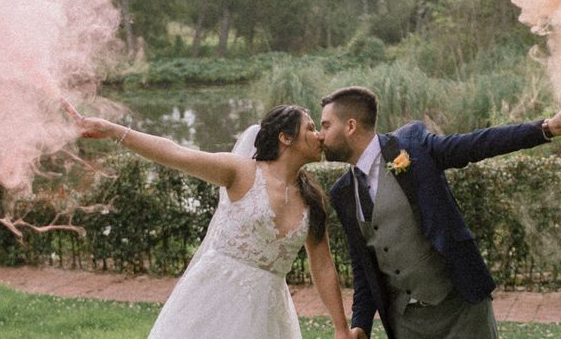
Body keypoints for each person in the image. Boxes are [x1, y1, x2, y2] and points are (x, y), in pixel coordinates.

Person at [68, 102, 365, 339]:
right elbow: (176, 153)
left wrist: (341, 328)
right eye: (311, 129)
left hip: (269, 311)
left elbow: (323, 264)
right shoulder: (241, 172)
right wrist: (112, 130)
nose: (320, 136)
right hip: (215, 297)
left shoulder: (312, 199)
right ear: (285, 137)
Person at [318, 86, 561, 339]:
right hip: (406, 324)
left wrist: (545, 129)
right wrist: (360, 325)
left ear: (350, 126)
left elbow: (477, 144)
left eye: (326, 125)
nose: (320, 135)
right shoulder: (342, 192)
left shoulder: (412, 146)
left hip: (461, 311)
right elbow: (364, 267)